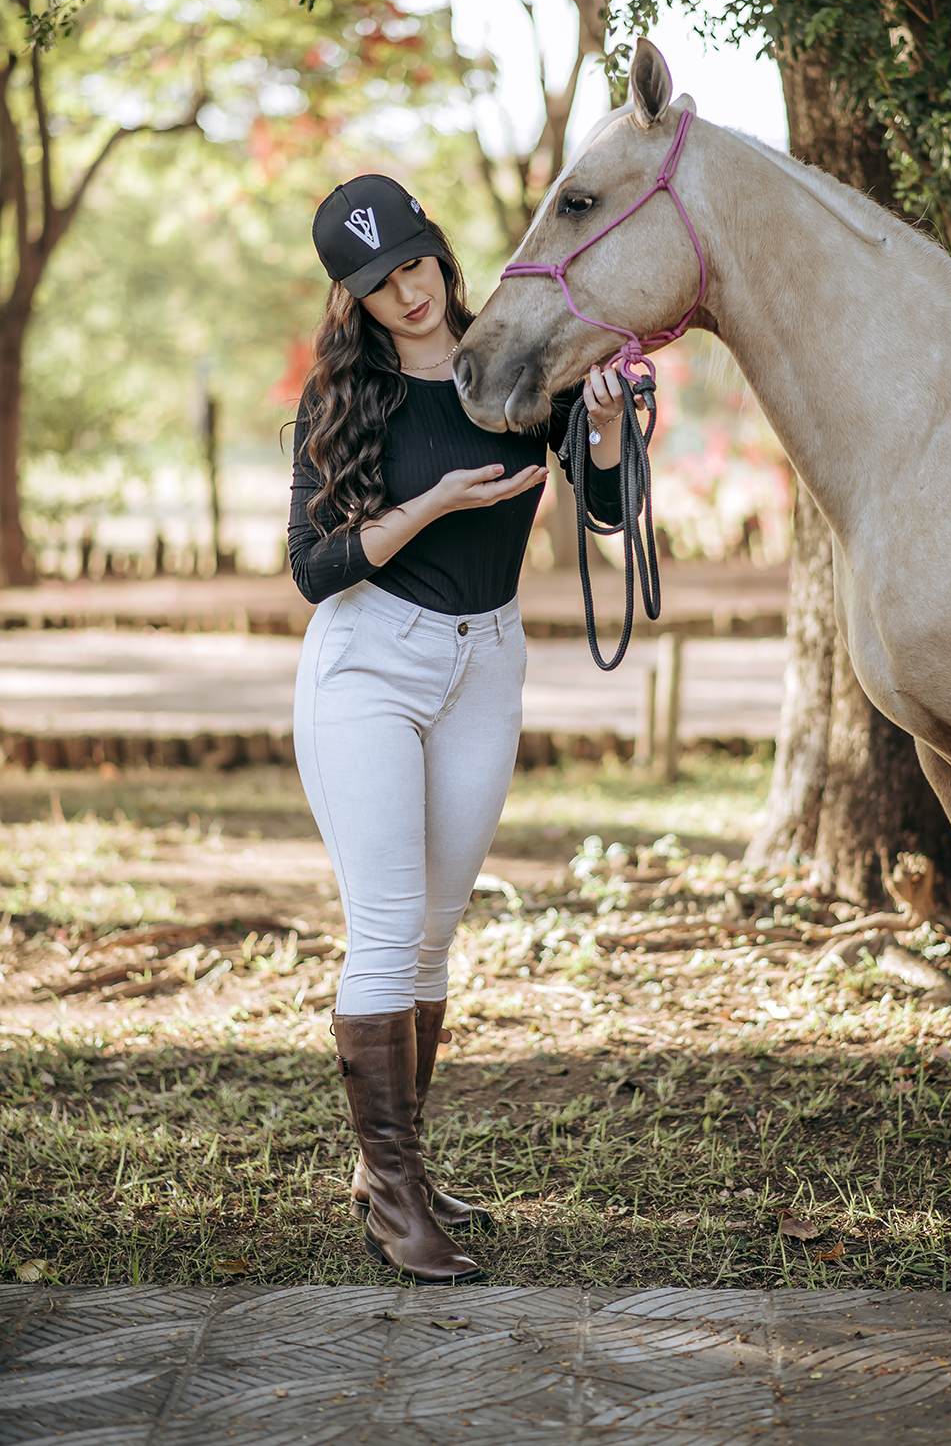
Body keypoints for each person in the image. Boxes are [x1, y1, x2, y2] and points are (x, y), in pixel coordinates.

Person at [288, 175, 626, 1282]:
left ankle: (402, 1166)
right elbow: (314, 566)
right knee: (385, 927)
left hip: (488, 660)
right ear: (356, 299)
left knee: (435, 932)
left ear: (439, 250)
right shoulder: (350, 396)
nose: (411, 293)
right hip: (369, 662)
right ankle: (391, 1196)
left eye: (418, 264)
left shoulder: (518, 363)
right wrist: (431, 507)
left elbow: (610, 508)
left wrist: (611, 426)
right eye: (380, 285)